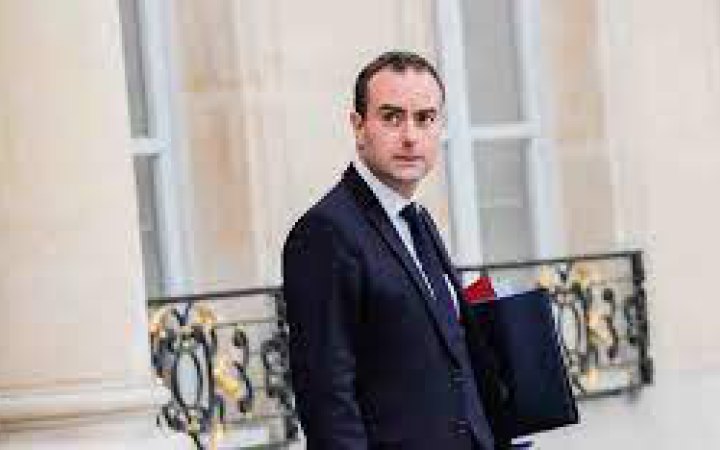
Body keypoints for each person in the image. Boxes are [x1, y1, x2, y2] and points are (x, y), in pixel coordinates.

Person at [282, 51, 510, 450]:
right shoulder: (325, 233)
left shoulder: (417, 220)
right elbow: (326, 398)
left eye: (425, 118)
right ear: (358, 127)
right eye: (391, 117)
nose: (410, 136)